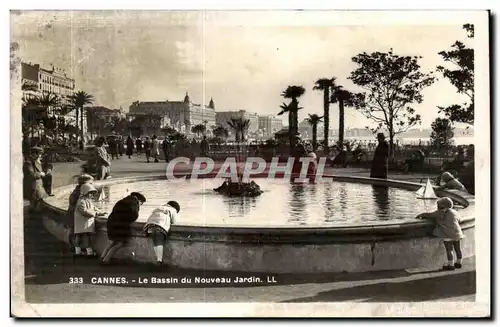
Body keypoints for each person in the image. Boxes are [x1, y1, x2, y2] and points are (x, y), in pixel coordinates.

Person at [416, 197, 464, 270]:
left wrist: (420, 215)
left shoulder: (440, 212)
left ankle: (450, 265)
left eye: (438, 205)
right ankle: (459, 263)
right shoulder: (454, 212)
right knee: (458, 249)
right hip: (458, 233)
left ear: (442, 206)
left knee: (449, 250)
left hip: (447, 234)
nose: (437, 207)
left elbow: (429, 215)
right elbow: (460, 219)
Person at [100, 192, 147, 264]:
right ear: (139, 200)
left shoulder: (121, 201)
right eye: (141, 203)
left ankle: (102, 257)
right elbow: (134, 216)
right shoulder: (134, 203)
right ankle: (105, 260)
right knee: (120, 243)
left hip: (111, 223)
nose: (141, 205)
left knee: (112, 241)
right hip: (120, 225)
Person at [143, 201, 180, 266]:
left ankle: (158, 259)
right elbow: (174, 221)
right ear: (175, 208)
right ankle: (159, 261)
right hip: (160, 226)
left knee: (155, 242)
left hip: (149, 226)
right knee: (159, 242)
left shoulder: (158, 208)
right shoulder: (173, 210)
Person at [74, 183, 106, 256]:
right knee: (83, 237)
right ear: (85, 192)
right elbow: (84, 211)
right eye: (90, 193)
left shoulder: (87, 200)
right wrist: (94, 214)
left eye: (92, 193)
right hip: (82, 222)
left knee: (81, 236)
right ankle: (87, 252)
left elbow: (94, 208)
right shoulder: (81, 201)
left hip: (83, 222)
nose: (91, 195)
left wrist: (99, 212)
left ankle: (79, 251)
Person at [67, 174, 95, 251]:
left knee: (76, 234)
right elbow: (80, 207)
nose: (93, 185)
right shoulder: (80, 193)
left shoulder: (79, 191)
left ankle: (77, 249)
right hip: (76, 217)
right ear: (85, 184)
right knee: (76, 233)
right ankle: (75, 248)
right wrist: (92, 213)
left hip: (75, 216)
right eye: (91, 183)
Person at [23, 146, 50, 212]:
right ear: (34, 154)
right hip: (33, 188)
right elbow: (32, 175)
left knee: (39, 205)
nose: (40, 156)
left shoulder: (37, 162)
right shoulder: (28, 163)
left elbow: (47, 166)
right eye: (39, 154)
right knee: (34, 207)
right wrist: (41, 174)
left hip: (38, 187)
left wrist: (48, 169)